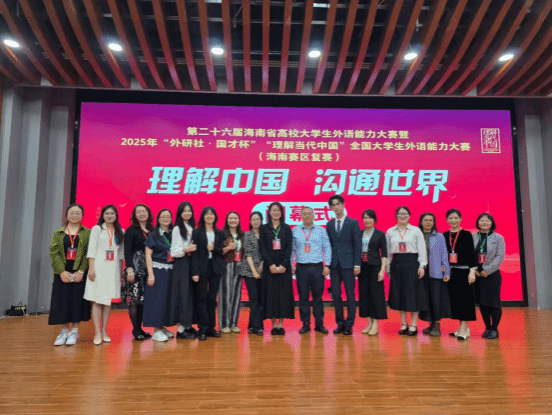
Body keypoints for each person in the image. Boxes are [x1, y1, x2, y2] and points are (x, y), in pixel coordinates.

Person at [48, 204, 91, 346]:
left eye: (77, 213)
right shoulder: (58, 232)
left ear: (82, 216)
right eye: (71, 213)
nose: (74, 215)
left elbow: (88, 253)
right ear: (66, 215)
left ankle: (74, 331)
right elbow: (54, 253)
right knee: (62, 300)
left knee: (77, 301)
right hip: (62, 271)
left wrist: (81, 271)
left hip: (79, 270)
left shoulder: (87, 232)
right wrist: (61, 271)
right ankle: (63, 331)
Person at [84, 205, 124, 345]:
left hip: (113, 269)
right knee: (97, 300)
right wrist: (91, 269)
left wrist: (120, 273)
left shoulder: (120, 231)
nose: (109, 216)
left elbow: (121, 254)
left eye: (112, 213)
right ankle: (97, 332)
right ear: (103, 215)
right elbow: (91, 250)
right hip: (98, 268)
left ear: (116, 216)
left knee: (107, 302)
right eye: (107, 213)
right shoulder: (97, 229)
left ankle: (104, 331)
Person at [386, 206, 428, 336]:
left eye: (405, 213)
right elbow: (387, 252)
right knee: (399, 295)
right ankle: (403, 324)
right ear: (396, 216)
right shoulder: (390, 231)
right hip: (397, 263)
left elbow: (422, 249)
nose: (402, 216)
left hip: (412, 263)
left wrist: (422, 265)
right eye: (400, 214)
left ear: (409, 216)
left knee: (413, 295)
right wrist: (388, 267)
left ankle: (413, 324)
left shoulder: (416, 231)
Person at [292, 207, 332, 334]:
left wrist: (327, 265)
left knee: (318, 297)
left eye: (309, 213)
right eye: (304, 214)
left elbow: (327, 248)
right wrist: (291, 265)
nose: (307, 216)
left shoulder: (321, 230)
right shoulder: (295, 230)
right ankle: (305, 324)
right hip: (301, 268)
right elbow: (291, 250)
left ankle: (319, 324)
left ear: (314, 215)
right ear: (301, 216)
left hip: (317, 267)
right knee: (303, 297)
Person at [326, 195, 362, 335]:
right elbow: (328, 246)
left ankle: (349, 324)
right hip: (334, 265)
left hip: (349, 265)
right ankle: (340, 323)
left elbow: (357, 244)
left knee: (350, 295)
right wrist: (327, 264)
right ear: (331, 208)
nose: (336, 207)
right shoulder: (329, 224)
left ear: (343, 205)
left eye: (338, 204)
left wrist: (357, 264)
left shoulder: (352, 222)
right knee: (336, 294)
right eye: (333, 205)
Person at [259, 202, 294, 335]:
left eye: (278, 210)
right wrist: (270, 264)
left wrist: (284, 264)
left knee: (283, 295)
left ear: (281, 212)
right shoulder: (264, 228)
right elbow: (262, 247)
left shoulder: (286, 228)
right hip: (270, 266)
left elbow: (289, 247)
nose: (276, 212)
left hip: (284, 267)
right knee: (271, 295)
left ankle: (281, 324)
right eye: (273, 210)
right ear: (269, 212)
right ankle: (274, 325)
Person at [191, 206, 224, 341]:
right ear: (203, 217)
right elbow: (194, 254)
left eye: (212, 214)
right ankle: (202, 328)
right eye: (207, 214)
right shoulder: (197, 232)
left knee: (212, 299)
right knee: (202, 298)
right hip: (201, 269)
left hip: (215, 268)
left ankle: (211, 327)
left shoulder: (219, 232)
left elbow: (221, 251)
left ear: (215, 217)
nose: (209, 216)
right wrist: (195, 272)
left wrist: (214, 248)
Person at [443, 209, 477, 341]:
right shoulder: (444, 235)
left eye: (456, 218)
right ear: (447, 220)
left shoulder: (466, 234)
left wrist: (472, 271)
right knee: (456, 301)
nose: (453, 220)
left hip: (464, 272)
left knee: (465, 301)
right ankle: (462, 328)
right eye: (450, 218)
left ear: (461, 219)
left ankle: (464, 329)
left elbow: (471, 254)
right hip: (451, 273)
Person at [122, 204, 154, 341]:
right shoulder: (131, 230)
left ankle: (140, 328)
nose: (141, 214)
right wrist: (129, 269)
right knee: (134, 300)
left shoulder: (152, 229)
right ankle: (135, 330)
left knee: (142, 301)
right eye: (138, 212)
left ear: (148, 213)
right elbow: (127, 251)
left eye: (143, 211)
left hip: (148, 268)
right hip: (135, 269)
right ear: (135, 215)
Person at [418, 213, 451, 337]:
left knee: (436, 299)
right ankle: (431, 323)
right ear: (421, 222)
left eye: (431, 220)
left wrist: (447, 271)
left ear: (434, 222)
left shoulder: (439, 236)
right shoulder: (417, 234)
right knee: (425, 299)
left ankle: (437, 325)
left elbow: (444, 255)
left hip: (435, 272)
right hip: (421, 272)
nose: (428, 222)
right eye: (425, 220)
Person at [143, 209, 174, 342]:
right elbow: (148, 255)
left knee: (166, 300)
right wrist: (151, 274)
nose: (165, 219)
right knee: (156, 300)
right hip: (157, 269)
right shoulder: (153, 235)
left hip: (170, 269)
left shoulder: (173, 233)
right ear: (158, 219)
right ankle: (156, 331)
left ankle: (162, 327)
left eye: (168, 216)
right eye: (163, 216)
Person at [473, 213, 505, 340]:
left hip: (492, 275)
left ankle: (494, 328)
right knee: (483, 303)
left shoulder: (498, 238)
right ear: (478, 223)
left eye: (487, 221)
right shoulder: (473, 236)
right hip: (477, 274)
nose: (484, 223)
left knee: (493, 303)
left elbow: (499, 256)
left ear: (492, 223)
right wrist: (474, 270)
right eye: (482, 220)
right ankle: (487, 327)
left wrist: (487, 270)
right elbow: (468, 254)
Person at [169, 201, 197, 340]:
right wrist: (187, 249)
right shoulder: (176, 229)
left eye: (189, 210)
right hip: (182, 263)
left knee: (190, 295)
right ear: (180, 213)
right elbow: (174, 251)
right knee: (182, 295)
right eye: (184, 211)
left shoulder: (192, 227)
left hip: (191, 262)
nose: (187, 213)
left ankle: (187, 325)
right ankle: (180, 330)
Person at [358, 209, 388, 336]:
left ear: (374, 219)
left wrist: (382, 270)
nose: (367, 220)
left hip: (375, 267)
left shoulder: (380, 234)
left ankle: (376, 323)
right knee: (365, 295)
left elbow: (384, 254)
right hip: (363, 268)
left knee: (376, 295)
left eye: (370, 217)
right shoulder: (359, 233)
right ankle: (369, 323)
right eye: (365, 217)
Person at [219, 211, 245, 334]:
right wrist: (228, 248)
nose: (233, 220)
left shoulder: (242, 235)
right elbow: (217, 252)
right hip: (226, 266)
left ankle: (234, 323)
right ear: (227, 220)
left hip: (239, 266)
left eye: (235, 218)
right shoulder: (221, 234)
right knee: (226, 295)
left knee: (236, 295)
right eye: (231, 218)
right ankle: (224, 324)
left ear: (239, 220)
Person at [239, 211, 264, 336]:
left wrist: (262, 265)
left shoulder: (265, 234)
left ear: (261, 221)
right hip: (249, 271)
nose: (255, 221)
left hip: (263, 270)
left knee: (260, 299)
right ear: (250, 221)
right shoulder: (247, 235)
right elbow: (247, 254)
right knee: (254, 298)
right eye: (253, 219)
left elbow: (267, 252)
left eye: (258, 219)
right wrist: (254, 271)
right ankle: (258, 327)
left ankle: (251, 325)